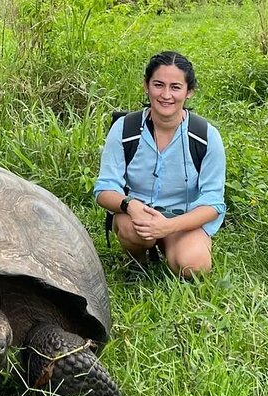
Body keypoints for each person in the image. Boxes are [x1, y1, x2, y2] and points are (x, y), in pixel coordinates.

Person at [94, 51, 226, 279]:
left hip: (183, 218)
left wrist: (168, 227)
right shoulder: (124, 129)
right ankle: (138, 261)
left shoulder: (205, 136)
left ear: (189, 91)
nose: (166, 95)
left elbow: (213, 203)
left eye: (175, 87)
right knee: (130, 228)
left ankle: (170, 245)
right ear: (146, 86)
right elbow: (104, 190)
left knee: (194, 266)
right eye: (158, 85)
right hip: (138, 215)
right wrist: (130, 205)